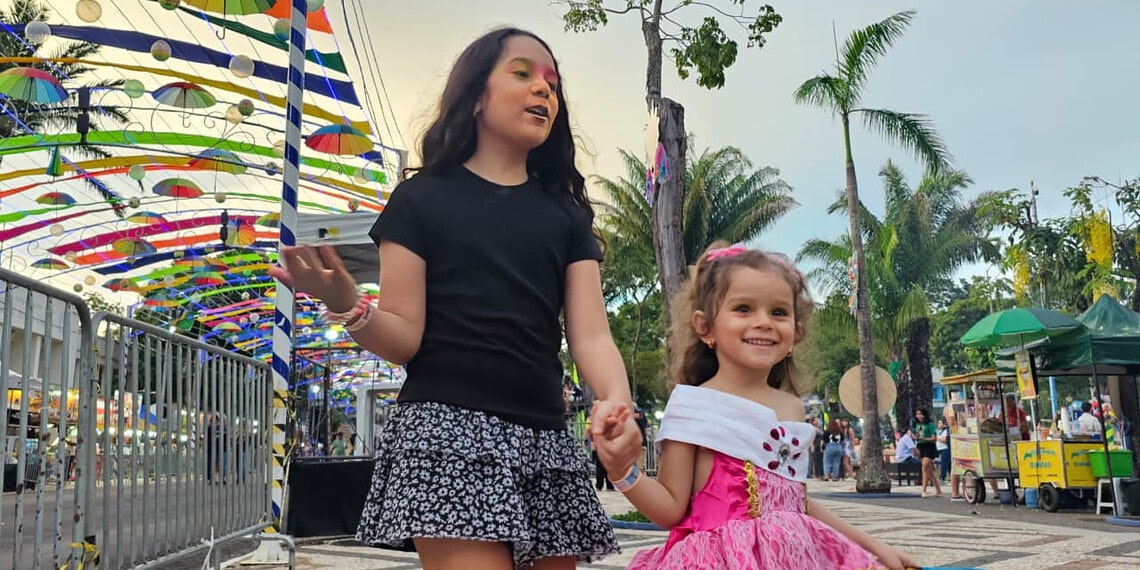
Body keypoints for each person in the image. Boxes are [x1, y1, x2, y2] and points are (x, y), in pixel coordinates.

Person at [270, 27, 642, 569]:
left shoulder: (566, 214)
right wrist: (349, 304)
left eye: (552, 83)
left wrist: (617, 402)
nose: (543, 89)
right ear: (474, 96)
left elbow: (591, 335)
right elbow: (404, 337)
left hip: (545, 436)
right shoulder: (419, 200)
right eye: (522, 73)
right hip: (446, 431)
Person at [592, 242, 917, 569]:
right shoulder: (692, 406)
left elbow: (796, 500)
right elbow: (670, 509)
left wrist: (872, 546)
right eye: (744, 308)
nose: (764, 322)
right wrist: (623, 472)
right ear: (705, 327)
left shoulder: (793, 408)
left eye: (779, 312)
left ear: (796, 331)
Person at [913, 408, 941, 498]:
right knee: (929, 470)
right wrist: (915, 437)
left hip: (929, 446)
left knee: (925, 467)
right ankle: (938, 490)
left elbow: (934, 438)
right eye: (917, 414)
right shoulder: (917, 424)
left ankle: (924, 490)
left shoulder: (930, 424)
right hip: (921, 446)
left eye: (921, 414)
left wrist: (924, 438)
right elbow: (917, 434)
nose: (919, 416)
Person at [936, 418, 951, 482]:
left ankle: (942, 477)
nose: (938, 424)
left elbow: (944, 440)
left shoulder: (946, 431)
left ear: (944, 424)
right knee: (948, 463)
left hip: (945, 449)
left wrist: (936, 438)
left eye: (940, 423)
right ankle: (950, 476)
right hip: (940, 449)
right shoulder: (939, 431)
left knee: (944, 463)